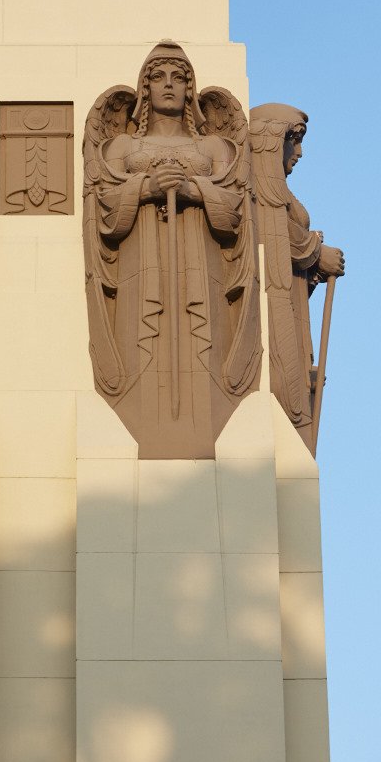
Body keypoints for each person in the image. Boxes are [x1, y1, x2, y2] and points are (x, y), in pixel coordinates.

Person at [84, 41, 260, 458]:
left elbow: (234, 208)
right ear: (144, 89)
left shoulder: (213, 149)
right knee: (144, 338)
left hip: (198, 262)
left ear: (189, 89)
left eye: (178, 77)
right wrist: (147, 187)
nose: (168, 85)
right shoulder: (123, 149)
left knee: (198, 342)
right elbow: (106, 205)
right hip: (141, 259)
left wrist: (192, 187)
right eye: (158, 77)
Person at [250, 104, 344, 448]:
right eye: (295, 141)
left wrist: (313, 263)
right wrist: (318, 253)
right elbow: (273, 232)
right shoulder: (261, 187)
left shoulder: (281, 192)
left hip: (292, 302)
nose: (299, 152)